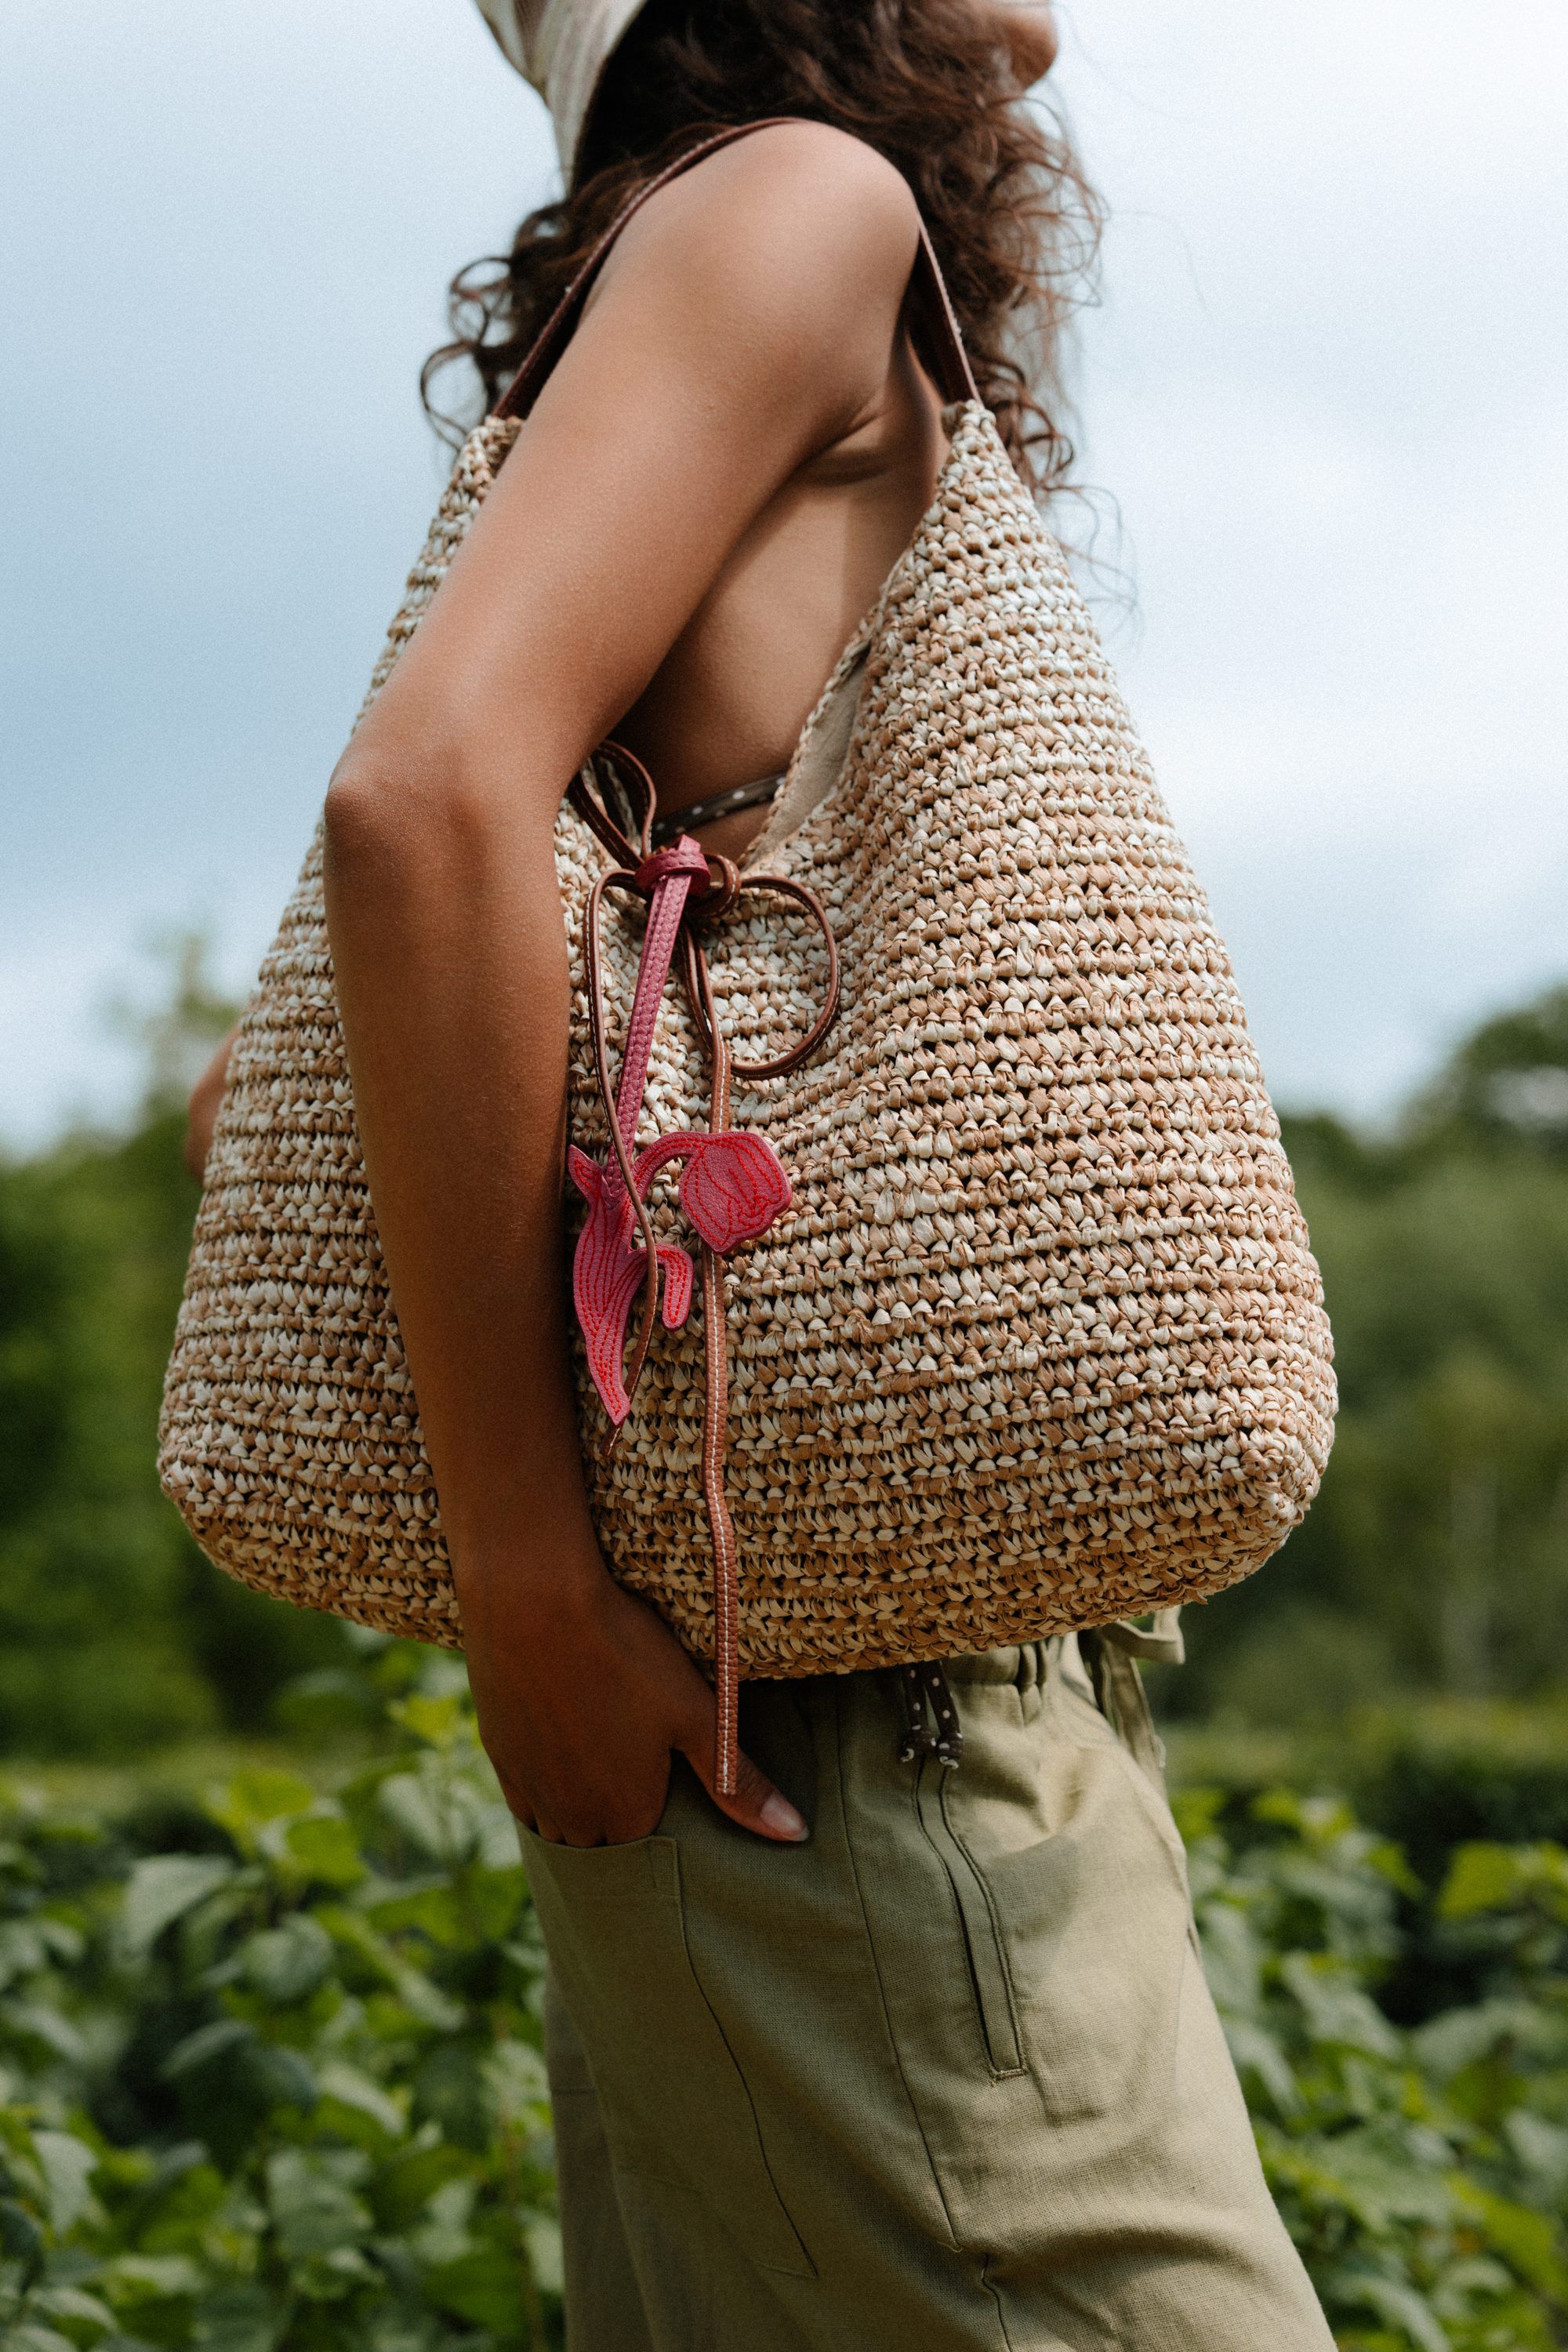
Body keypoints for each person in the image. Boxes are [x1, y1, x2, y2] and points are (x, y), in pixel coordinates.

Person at [188, 4, 1336, 2343]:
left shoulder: (706, 277)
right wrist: (524, 1580)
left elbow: (259, 1082)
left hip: (791, 1746)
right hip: (848, 1778)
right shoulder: (805, 209)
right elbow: (423, 819)